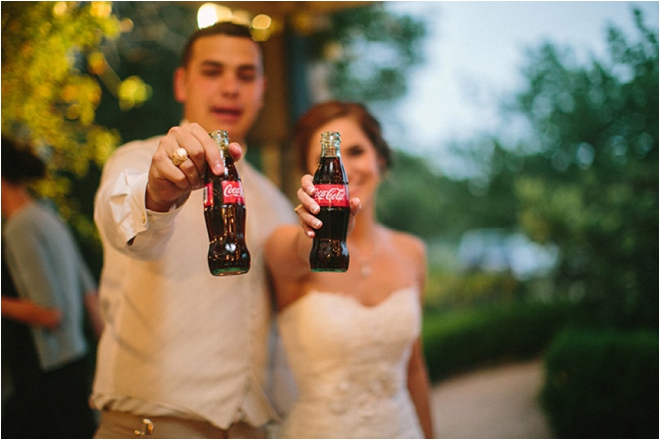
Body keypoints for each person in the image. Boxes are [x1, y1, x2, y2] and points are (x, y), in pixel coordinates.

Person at [90, 21, 296, 438]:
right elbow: (126, 225)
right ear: (182, 83)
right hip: (151, 427)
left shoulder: (275, 200)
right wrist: (159, 192)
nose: (230, 88)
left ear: (262, 89)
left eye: (246, 75)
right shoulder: (137, 161)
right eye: (212, 71)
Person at [265, 101, 435, 438]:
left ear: (380, 158)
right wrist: (314, 232)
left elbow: (413, 369)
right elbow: (298, 253)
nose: (344, 168)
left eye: (356, 151)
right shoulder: (284, 242)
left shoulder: (412, 252)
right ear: (310, 174)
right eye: (328, 158)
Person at [1, 137, 104, 438]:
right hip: (73, 363)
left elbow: (49, 313)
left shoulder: (20, 226)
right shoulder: (48, 215)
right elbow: (89, 292)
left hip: (47, 373)